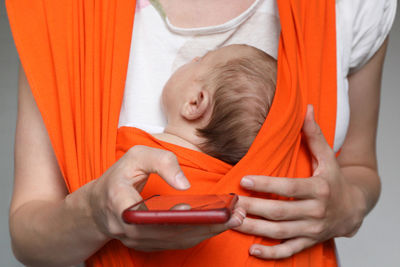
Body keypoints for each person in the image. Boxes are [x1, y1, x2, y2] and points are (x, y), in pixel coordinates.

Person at [7, 0, 396, 266]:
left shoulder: (354, 6)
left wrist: (350, 205)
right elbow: (28, 233)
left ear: (195, 103)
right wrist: (94, 215)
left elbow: (360, 166)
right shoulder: (59, 12)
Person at [146, 44, 276, 165]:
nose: (194, 58)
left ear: (195, 103)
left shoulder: (135, 150)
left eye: (200, 61)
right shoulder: (231, 184)